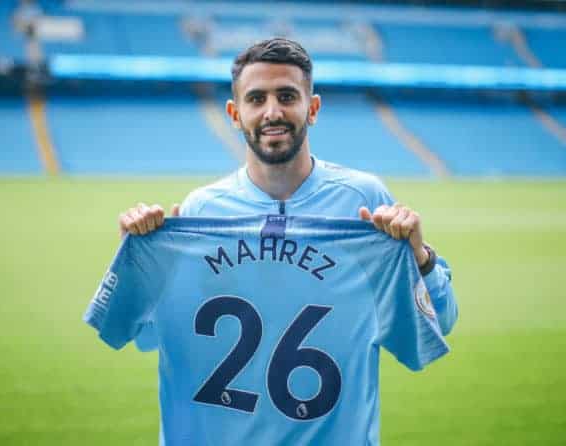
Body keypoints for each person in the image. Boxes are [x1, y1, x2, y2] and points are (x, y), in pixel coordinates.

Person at [119, 38, 457, 338]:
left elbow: (439, 324)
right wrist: (142, 265)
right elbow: (149, 335)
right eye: (256, 99)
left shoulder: (363, 200)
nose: (272, 112)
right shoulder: (202, 210)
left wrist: (421, 261)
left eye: (287, 96)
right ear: (235, 115)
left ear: (312, 108)